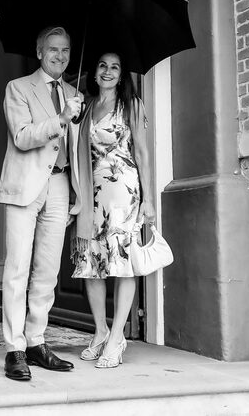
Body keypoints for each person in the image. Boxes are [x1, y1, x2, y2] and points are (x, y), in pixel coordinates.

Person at [0, 26, 84, 381]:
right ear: (39, 52)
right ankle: (13, 348)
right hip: (25, 187)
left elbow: (78, 151)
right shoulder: (18, 88)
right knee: (17, 270)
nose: (60, 56)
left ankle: (36, 340)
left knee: (47, 272)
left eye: (65, 50)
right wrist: (61, 119)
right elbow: (21, 137)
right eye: (53, 49)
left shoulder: (75, 94)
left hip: (61, 185)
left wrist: (79, 193)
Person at [71, 51, 154, 368]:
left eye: (114, 67)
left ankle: (118, 336)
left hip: (124, 193)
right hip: (91, 194)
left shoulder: (131, 105)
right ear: (94, 72)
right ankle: (101, 329)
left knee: (121, 264)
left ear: (122, 75)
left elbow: (143, 153)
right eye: (102, 65)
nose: (107, 71)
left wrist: (148, 200)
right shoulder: (86, 105)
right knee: (90, 263)